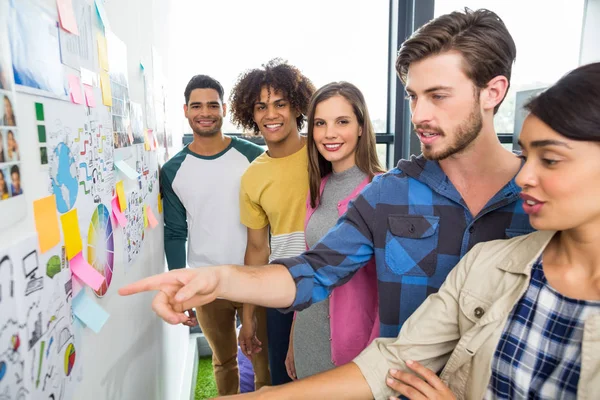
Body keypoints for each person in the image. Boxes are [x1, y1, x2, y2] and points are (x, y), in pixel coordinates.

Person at [121, 6, 533, 343]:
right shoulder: (387, 194)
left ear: (493, 92)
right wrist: (216, 279)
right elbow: (313, 271)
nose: (419, 116)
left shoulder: (547, 200)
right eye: (413, 96)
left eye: (438, 96)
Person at [159, 75, 268, 396]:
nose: (204, 112)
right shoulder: (172, 170)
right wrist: (181, 287)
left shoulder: (253, 156)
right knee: (223, 362)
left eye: (212, 105)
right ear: (185, 110)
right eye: (197, 105)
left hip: (256, 277)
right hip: (207, 284)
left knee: (264, 364)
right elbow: (176, 232)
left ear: (223, 110)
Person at [285, 82, 384, 380]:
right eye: (320, 123)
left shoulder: (382, 190)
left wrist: (375, 362)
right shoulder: (320, 189)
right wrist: (293, 339)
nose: (329, 133)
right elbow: (309, 268)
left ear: (361, 128)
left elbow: (390, 290)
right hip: (307, 333)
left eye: (342, 122)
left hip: (354, 350)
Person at [229, 59, 315, 385]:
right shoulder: (253, 176)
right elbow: (256, 248)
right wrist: (248, 316)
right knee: (285, 380)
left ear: (296, 107)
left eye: (280, 103)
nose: (271, 114)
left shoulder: (323, 153)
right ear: (250, 114)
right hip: (282, 292)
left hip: (334, 283)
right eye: (261, 106)